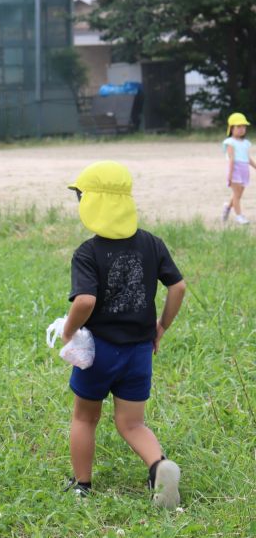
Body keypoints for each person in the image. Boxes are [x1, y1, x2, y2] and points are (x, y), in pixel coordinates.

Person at [61, 161, 186, 509]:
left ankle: (81, 485)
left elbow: (85, 300)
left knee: (85, 416)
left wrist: (69, 330)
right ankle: (159, 466)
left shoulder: (88, 252)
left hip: (99, 352)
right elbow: (178, 287)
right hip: (139, 351)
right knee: (132, 423)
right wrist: (161, 327)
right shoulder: (151, 243)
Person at [222, 112, 256, 225]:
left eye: (244, 126)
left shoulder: (246, 143)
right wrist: (230, 175)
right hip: (235, 170)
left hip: (244, 171)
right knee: (237, 195)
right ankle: (239, 216)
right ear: (231, 128)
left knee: (238, 195)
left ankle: (227, 207)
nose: (241, 129)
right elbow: (231, 159)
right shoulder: (230, 143)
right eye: (238, 126)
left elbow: (247, 158)